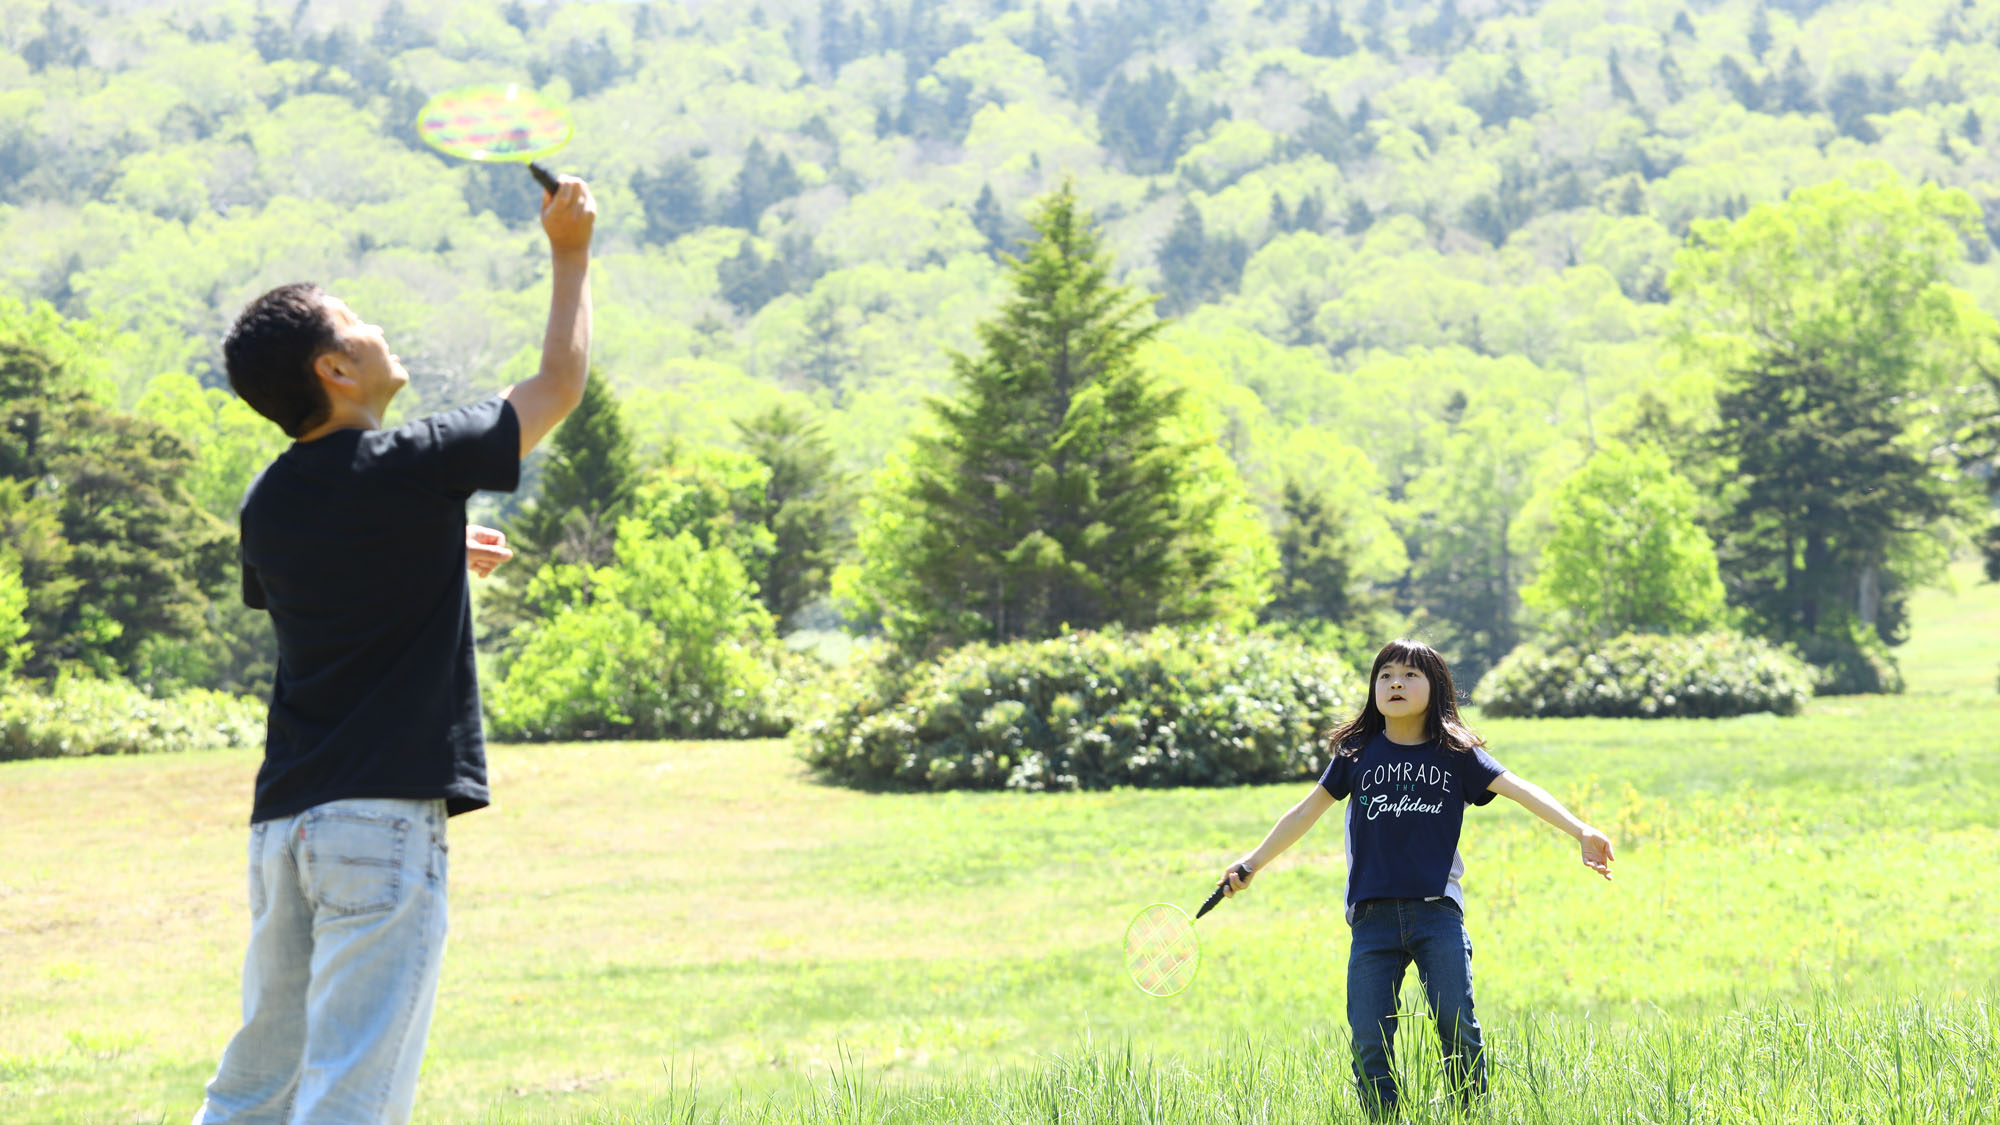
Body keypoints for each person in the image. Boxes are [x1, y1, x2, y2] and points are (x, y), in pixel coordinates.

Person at [193, 175, 596, 1125]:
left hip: (282, 831)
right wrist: (571, 254)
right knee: (349, 1094)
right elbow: (556, 388)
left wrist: (434, 545)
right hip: (378, 828)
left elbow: (327, 586)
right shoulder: (413, 465)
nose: (378, 330)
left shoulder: (267, 501)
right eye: (358, 321)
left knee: (256, 1087)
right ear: (335, 369)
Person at [1215, 638, 1614, 1119]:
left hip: (1437, 913)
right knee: (1368, 1034)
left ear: (1436, 687)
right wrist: (1251, 864)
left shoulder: (1457, 754)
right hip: (1371, 919)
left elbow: (1519, 788)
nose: (1395, 683)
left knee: (1455, 1020)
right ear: (1373, 689)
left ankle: (1471, 1112)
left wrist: (1581, 830)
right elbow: (1304, 813)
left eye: (1409, 674)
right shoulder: (1356, 754)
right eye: (1385, 675)